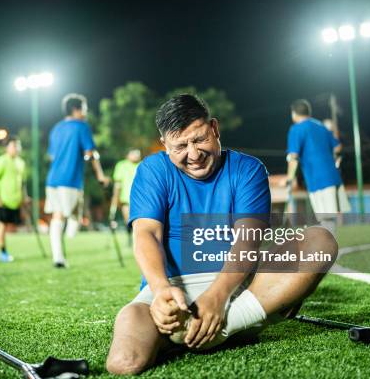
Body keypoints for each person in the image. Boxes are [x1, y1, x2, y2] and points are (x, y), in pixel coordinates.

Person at [105, 94, 338, 375]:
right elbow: (146, 235)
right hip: (173, 291)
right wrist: (161, 291)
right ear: (165, 145)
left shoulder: (247, 169)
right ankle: (209, 331)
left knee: (320, 241)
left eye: (199, 139)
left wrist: (217, 298)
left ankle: (213, 327)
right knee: (124, 363)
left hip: (239, 291)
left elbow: (248, 240)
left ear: (214, 128)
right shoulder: (152, 170)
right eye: (180, 146)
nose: (193, 154)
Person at [45, 93, 109, 268]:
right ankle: (59, 256)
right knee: (67, 215)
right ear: (76, 109)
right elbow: (90, 153)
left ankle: (58, 255)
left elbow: (51, 155)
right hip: (70, 179)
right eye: (85, 108)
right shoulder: (82, 126)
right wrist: (100, 176)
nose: (86, 112)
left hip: (52, 179)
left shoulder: (56, 128)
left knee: (63, 214)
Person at [285, 99, 350, 232]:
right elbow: (337, 147)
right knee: (328, 218)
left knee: (324, 218)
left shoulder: (296, 129)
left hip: (316, 179)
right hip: (332, 176)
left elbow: (293, 157)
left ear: (294, 114)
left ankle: (330, 250)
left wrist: (289, 179)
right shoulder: (321, 126)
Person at [0, 137, 27, 263]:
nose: (17, 148)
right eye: (14, 146)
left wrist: (24, 197)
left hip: (16, 201)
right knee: (2, 225)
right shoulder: (0, 161)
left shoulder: (20, 162)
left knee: (13, 227)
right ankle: (3, 253)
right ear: (7, 148)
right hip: (3, 200)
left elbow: (22, 182)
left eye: (18, 146)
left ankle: (5, 252)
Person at [110, 149, 141, 244]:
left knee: (138, 222)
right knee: (128, 221)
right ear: (128, 155)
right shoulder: (121, 165)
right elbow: (117, 184)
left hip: (140, 198)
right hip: (125, 199)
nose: (136, 156)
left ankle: (138, 240)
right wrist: (115, 198)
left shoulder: (142, 165)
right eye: (134, 154)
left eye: (138, 154)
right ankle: (130, 240)